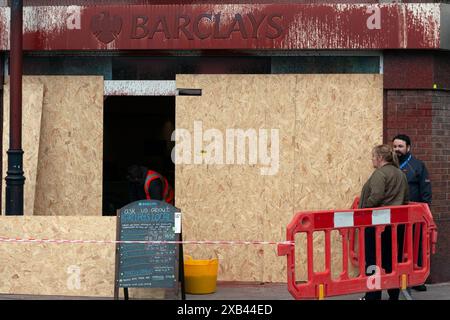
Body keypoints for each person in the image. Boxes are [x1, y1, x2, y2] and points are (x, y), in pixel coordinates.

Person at [359, 144, 409, 300]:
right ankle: (394, 295)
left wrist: (364, 209)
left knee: (374, 262)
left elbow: (376, 197)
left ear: (379, 158)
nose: (372, 160)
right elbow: (406, 199)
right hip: (396, 226)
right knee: (392, 261)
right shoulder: (401, 174)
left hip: (377, 226)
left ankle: (373, 296)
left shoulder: (380, 174)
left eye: (373, 157)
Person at [392, 134, 432, 292]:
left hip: (414, 215)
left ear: (408, 148)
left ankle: (417, 280)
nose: (397, 150)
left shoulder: (418, 166)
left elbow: (426, 191)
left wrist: (426, 212)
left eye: (400, 146)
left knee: (416, 245)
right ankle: (396, 277)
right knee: (396, 245)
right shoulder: (390, 166)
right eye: (395, 147)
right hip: (395, 215)